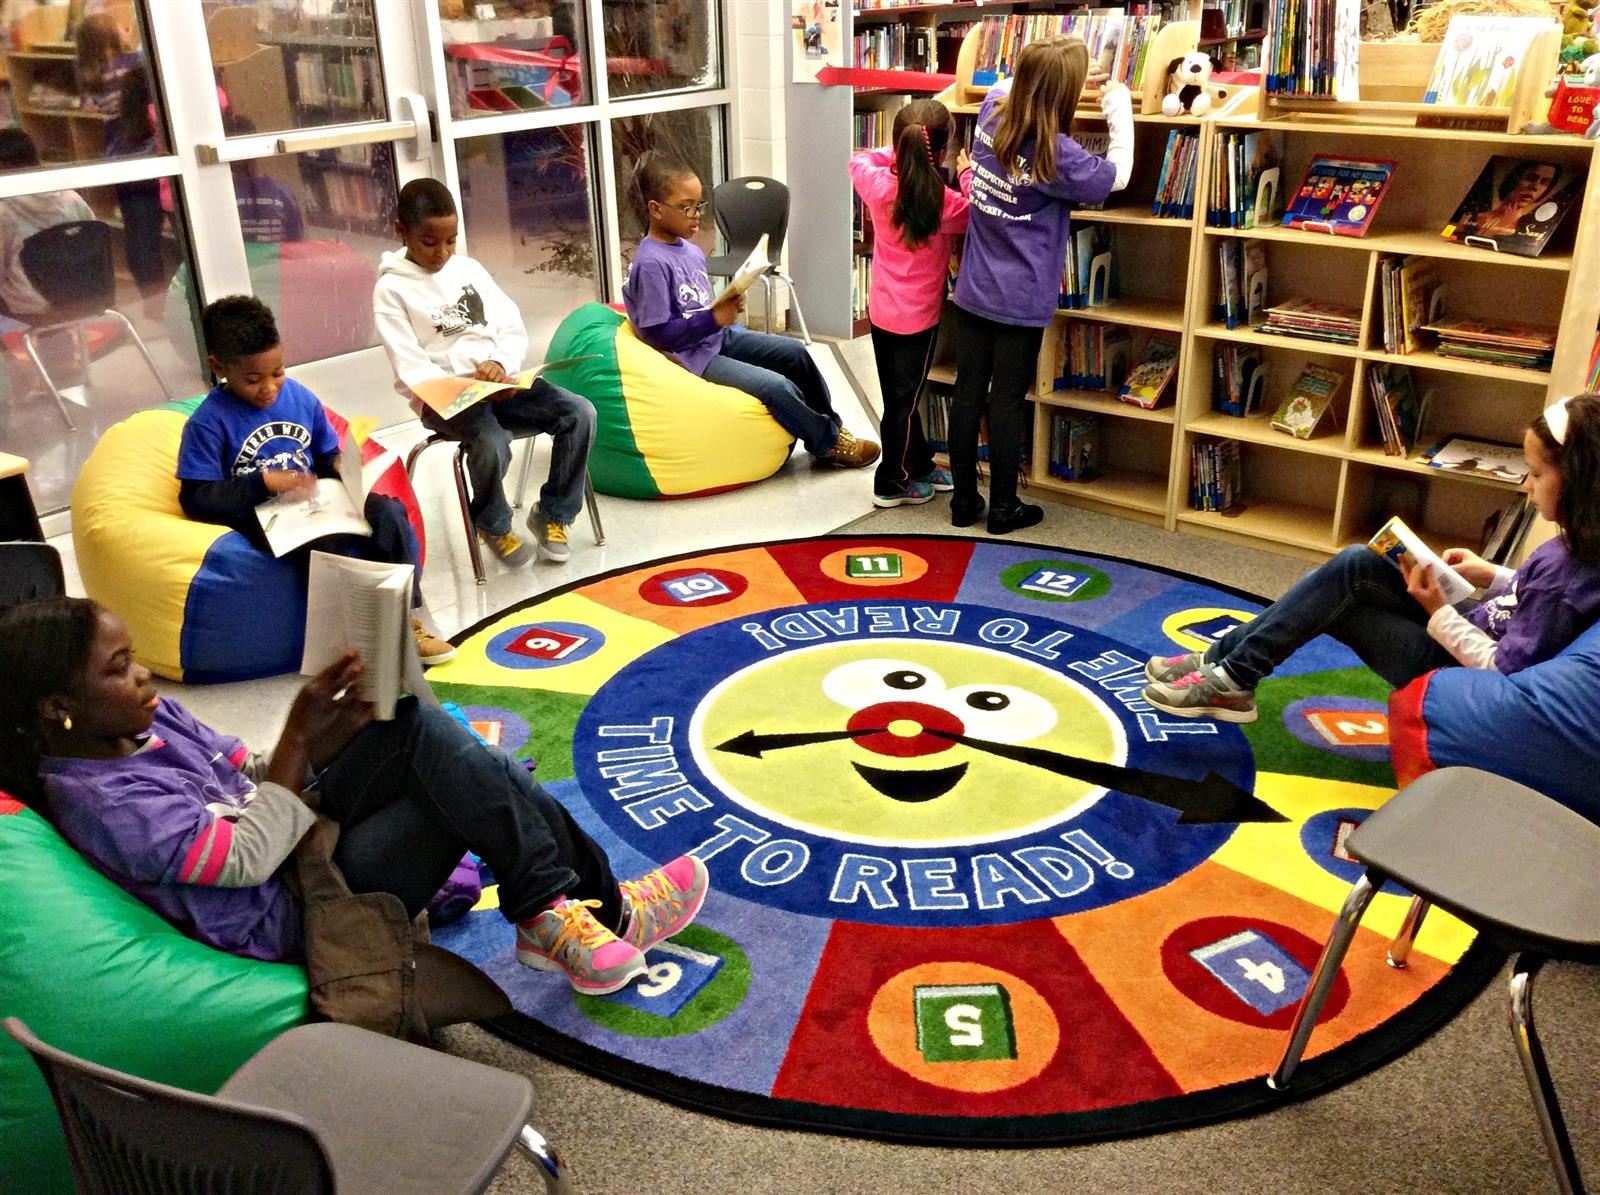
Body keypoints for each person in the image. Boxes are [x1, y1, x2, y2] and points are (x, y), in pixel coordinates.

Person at [0, 597, 710, 996]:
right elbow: (244, 858)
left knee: (419, 726)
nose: (148, 677)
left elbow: (250, 770)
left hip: (301, 845)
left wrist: (333, 726)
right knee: (466, 776)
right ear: (59, 706)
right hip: (290, 909)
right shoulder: (102, 802)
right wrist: (303, 741)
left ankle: (552, 911)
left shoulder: (146, 722)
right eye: (122, 669)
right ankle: (588, 909)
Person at [1144, 393, 1600, 723]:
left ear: (1579, 481)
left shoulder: (1566, 576)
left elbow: (1503, 672)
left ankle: (1231, 677)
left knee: (1342, 601)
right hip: (1476, 627)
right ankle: (1224, 665)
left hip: (1461, 674)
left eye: (1537, 475)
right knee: (1357, 563)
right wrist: (1492, 576)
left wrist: (1438, 610)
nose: (1526, 486)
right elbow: (1532, 600)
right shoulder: (1579, 549)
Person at [176, 295, 454, 665]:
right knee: (329, 543)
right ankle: (360, 638)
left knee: (389, 512)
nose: (270, 388)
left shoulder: (299, 398)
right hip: (264, 515)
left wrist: (341, 467)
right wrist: (264, 483)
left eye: (278, 373)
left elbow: (324, 455)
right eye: (253, 379)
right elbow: (196, 497)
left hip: (317, 501)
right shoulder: (209, 423)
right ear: (218, 367)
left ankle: (408, 618)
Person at [949, 38, 1132, 535]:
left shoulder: (991, 116)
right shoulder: (1059, 154)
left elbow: (1010, 85)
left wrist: (1051, 70)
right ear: (1064, 95)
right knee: (1007, 400)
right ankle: (1004, 508)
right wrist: (1117, 105)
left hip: (974, 287)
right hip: (1022, 296)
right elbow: (1117, 178)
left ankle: (964, 502)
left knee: (968, 393)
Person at [373, 178, 596, 567]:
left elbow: (509, 326)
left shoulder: (468, 269)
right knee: (491, 442)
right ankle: (492, 522)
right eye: (429, 242)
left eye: (451, 240)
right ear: (400, 231)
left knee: (580, 412)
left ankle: (553, 515)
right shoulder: (391, 290)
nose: (442, 252)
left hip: (499, 385)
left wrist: (502, 366)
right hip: (443, 399)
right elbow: (411, 367)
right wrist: (470, 385)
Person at [621, 154, 880, 470]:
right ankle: (826, 443)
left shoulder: (689, 250)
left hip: (717, 337)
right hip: (692, 357)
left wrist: (725, 305)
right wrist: (713, 318)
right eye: (686, 206)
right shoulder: (650, 263)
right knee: (777, 386)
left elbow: (695, 305)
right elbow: (657, 333)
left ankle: (833, 429)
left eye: (700, 206)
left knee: (796, 353)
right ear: (655, 209)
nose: (696, 216)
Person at [849, 99, 973, 508]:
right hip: (919, 319)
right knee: (904, 402)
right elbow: (977, 213)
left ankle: (918, 464)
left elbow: (858, 160)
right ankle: (891, 480)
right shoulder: (945, 201)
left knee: (898, 397)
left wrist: (901, 152)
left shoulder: (877, 184)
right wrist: (968, 172)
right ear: (941, 150)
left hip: (882, 310)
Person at [0, 129, 93, 321]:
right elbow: (96, 240)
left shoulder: (4, 212)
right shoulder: (71, 197)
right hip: (83, 291)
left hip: (33, 304)